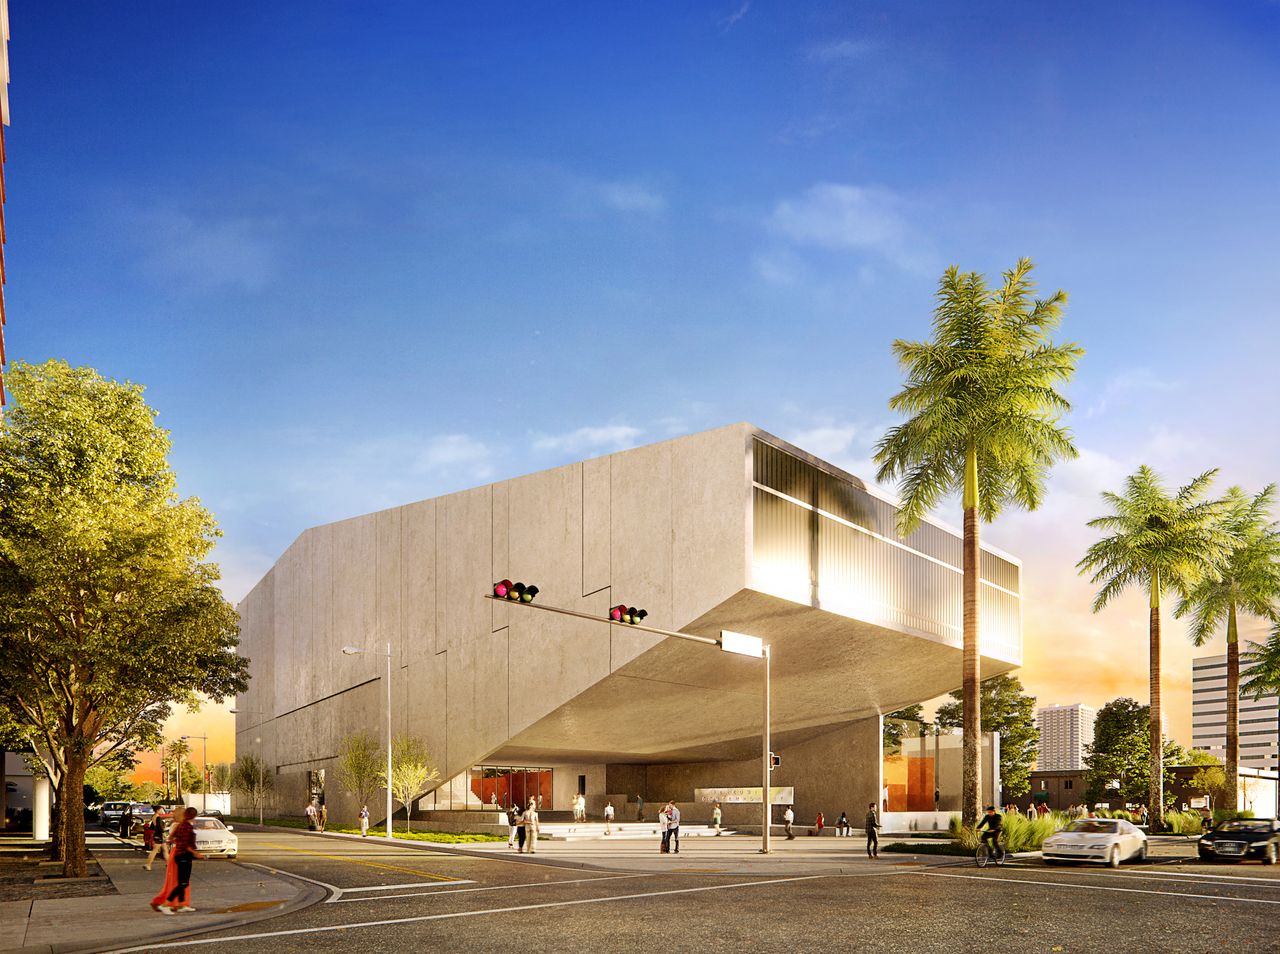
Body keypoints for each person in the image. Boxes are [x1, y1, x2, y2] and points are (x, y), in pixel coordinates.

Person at [151, 807, 205, 915]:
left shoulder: (180, 825)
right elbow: (185, 844)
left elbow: (170, 838)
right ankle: (165, 904)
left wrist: (177, 841)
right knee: (183, 883)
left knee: (182, 882)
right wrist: (195, 853)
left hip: (178, 854)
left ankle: (181, 904)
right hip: (183, 855)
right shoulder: (186, 826)